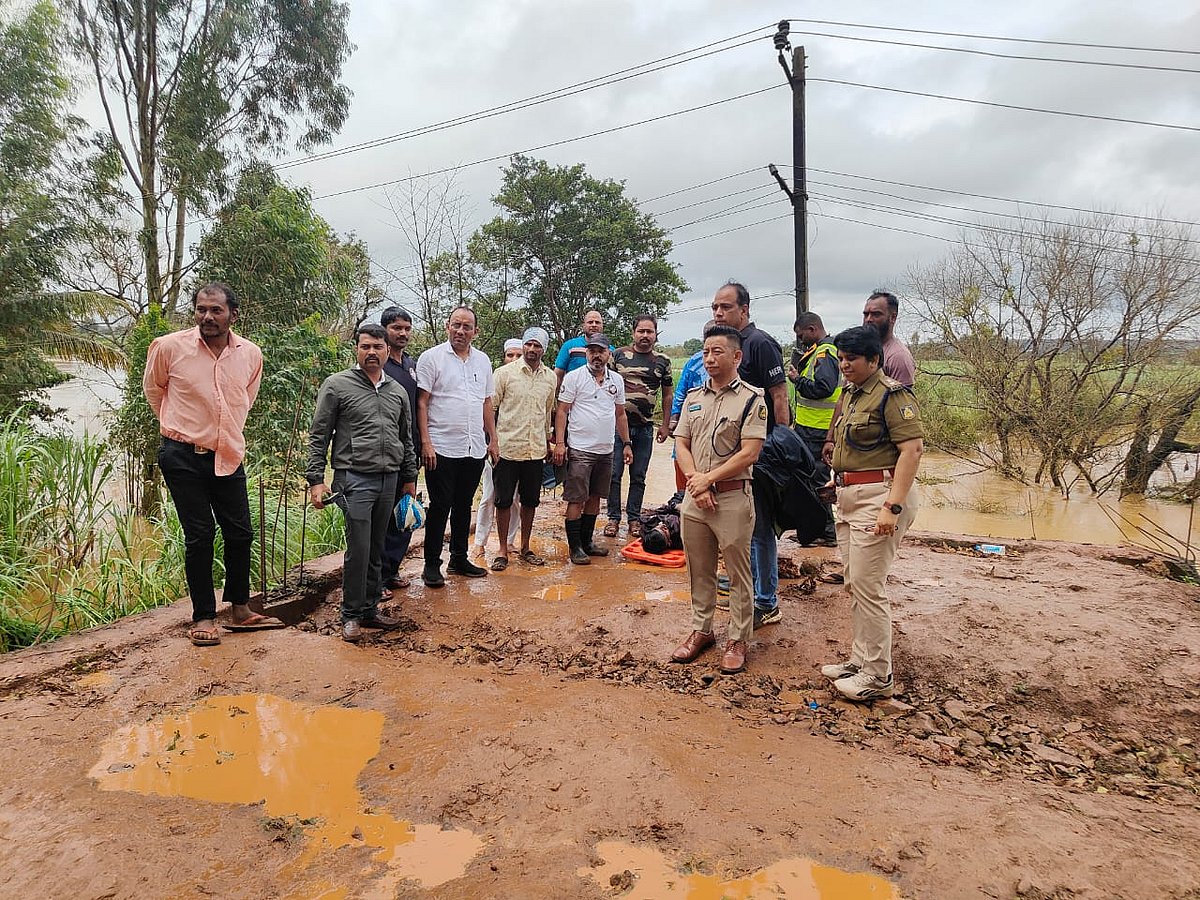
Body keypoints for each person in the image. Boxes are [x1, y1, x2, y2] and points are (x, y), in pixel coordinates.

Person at [144, 281, 277, 647]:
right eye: (202, 309)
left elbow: (244, 399)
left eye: (216, 310)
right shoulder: (169, 348)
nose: (207, 317)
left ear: (233, 314)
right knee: (200, 535)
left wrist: (222, 434)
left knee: (241, 532)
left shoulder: (250, 354)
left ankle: (240, 609)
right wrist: (182, 429)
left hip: (228, 453)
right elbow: (155, 392)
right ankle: (203, 615)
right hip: (182, 455)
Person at [822, 325, 923, 701]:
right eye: (842, 359)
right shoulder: (851, 395)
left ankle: (878, 675)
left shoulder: (892, 397)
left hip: (880, 496)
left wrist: (891, 507)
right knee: (855, 583)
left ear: (874, 360)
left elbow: (911, 451)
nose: (845, 366)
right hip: (851, 495)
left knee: (869, 586)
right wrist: (839, 481)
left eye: (852, 359)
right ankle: (860, 660)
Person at [306, 324, 418, 643]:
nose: (372, 352)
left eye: (378, 347)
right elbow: (319, 435)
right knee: (359, 546)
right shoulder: (338, 385)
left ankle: (369, 610)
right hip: (353, 478)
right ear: (356, 349)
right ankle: (351, 615)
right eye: (365, 346)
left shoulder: (396, 390)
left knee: (377, 546)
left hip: (390, 479)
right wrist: (316, 480)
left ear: (387, 351)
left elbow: (405, 439)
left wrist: (409, 478)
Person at [670, 325, 767, 674]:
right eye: (706, 352)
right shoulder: (694, 397)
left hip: (731, 499)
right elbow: (681, 443)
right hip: (696, 500)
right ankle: (702, 630)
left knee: (738, 571)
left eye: (718, 352)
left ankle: (738, 638)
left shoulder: (752, 400)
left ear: (736, 356)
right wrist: (697, 484)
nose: (709, 359)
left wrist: (708, 480)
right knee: (699, 568)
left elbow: (749, 453)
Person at [709, 281, 789, 629]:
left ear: (745, 310)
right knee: (741, 523)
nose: (718, 313)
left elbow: (780, 397)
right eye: (715, 307)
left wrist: (779, 444)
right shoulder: (725, 349)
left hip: (761, 451)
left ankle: (766, 601)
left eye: (725, 307)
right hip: (734, 453)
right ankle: (749, 580)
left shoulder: (760, 344)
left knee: (760, 529)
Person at [416, 306, 498, 587]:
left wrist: (493, 439)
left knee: (464, 505)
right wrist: (426, 442)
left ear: (476, 331)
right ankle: (431, 565)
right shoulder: (432, 358)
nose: (461, 331)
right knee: (440, 506)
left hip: (473, 446)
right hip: (440, 447)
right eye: (456, 325)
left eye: (467, 327)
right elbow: (422, 402)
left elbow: (486, 403)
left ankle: (459, 558)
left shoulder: (483, 361)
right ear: (447, 326)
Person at [552, 334, 632, 565]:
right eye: (592, 351)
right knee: (576, 498)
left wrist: (626, 443)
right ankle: (575, 547)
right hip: (580, 449)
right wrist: (560, 443)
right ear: (586, 353)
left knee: (596, 496)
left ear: (609, 353)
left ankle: (587, 542)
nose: (596, 355)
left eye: (601, 351)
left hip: (606, 449)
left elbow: (620, 414)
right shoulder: (574, 377)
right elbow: (562, 411)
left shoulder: (616, 380)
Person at [490, 327, 557, 569]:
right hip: (507, 448)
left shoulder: (550, 377)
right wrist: (492, 440)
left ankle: (526, 546)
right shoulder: (504, 374)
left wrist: (549, 441)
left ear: (543, 349)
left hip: (535, 450)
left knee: (530, 501)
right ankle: (502, 550)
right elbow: (491, 408)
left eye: (537, 345)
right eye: (528, 344)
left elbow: (548, 412)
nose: (531, 349)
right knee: (503, 501)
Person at [604, 315, 673, 538]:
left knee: (639, 476)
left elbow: (667, 394)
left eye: (649, 332)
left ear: (656, 334)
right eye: (641, 331)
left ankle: (633, 519)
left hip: (644, 429)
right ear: (633, 332)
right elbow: (606, 387)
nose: (645, 336)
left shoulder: (662, 361)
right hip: (616, 427)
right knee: (613, 475)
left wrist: (664, 425)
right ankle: (613, 519)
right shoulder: (618, 356)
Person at [788, 311, 841, 546]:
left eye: (801, 335)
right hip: (809, 427)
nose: (801, 340)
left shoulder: (825, 352)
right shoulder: (818, 351)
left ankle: (826, 531)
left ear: (812, 329)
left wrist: (797, 379)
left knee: (817, 479)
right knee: (809, 479)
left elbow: (824, 388)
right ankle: (815, 528)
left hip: (818, 429)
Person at [380, 306, 421, 593]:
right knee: (380, 517)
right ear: (385, 330)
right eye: (397, 328)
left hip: (411, 452)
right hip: (383, 454)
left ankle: (392, 570)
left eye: (407, 328)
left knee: (403, 512)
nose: (402, 333)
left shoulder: (411, 365)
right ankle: (376, 578)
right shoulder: (378, 365)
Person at [473, 339, 525, 560]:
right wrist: (490, 441)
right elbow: (488, 412)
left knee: (515, 499)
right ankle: (480, 542)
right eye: (510, 355)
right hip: (494, 447)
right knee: (489, 496)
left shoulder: (529, 381)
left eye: (517, 355)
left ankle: (510, 540)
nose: (513, 359)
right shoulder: (497, 378)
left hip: (521, 449)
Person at [667, 321, 714, 491]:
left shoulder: (734, 359)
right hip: (693, 421)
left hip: (718, 426)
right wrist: (674, 419)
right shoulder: (694, 362)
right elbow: (680, 393)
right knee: (682, 458)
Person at [553, 309, 606, 385]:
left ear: (602, 326)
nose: (594, 325)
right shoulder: (569, 346)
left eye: (597, 322)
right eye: (590, 322)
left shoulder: (609, 350)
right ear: (583, 326)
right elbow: (558, 375)